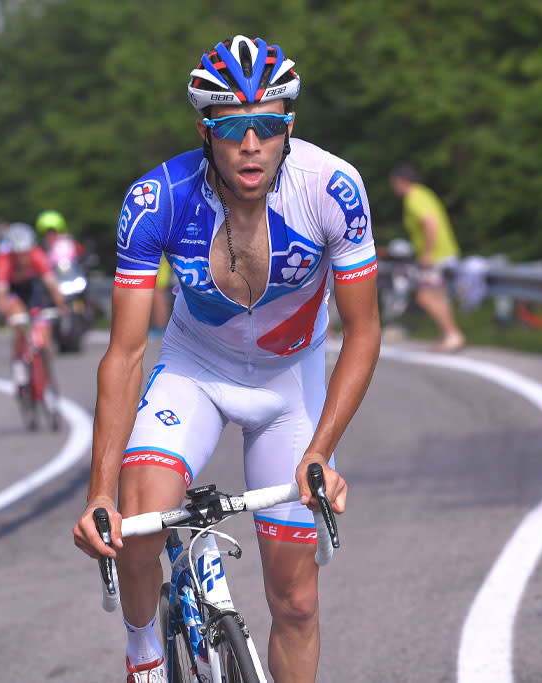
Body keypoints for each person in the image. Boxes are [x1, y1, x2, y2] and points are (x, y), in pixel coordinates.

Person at [70, 35, 380, 683]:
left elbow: (362, 330)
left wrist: (321, 449)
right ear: (204, 129)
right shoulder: (157, 199)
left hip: (288, 388)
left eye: (266, 125)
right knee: (141, 512)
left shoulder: (331, 188)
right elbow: (126, 352)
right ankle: (142, 649)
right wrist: (99, 489)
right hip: (195, 374)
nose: (250, 143)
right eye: (231, 126)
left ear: (287, 126)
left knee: (295, 601)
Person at [389, 162, 466, 352]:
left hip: (436, 256)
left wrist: (427, 253)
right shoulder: (424, 193)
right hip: (446, 253)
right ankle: (448, 336)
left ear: (401, 181)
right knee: (438, 296)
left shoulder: (413, 198)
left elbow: (430, 223)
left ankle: (453, 334)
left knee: (424, 296)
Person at [0, 223, 69, 403]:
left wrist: (61, 305)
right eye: (18, 254)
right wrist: (5, 312)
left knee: (45, 338)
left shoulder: (38, 256)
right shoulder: (3, 261)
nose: (23, 258)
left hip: (34, 292)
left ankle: (48, 380)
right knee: (18, 320)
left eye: (25, 252)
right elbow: (0, 295)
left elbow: (51, 284)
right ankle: (19, 366)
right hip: (15, 294)